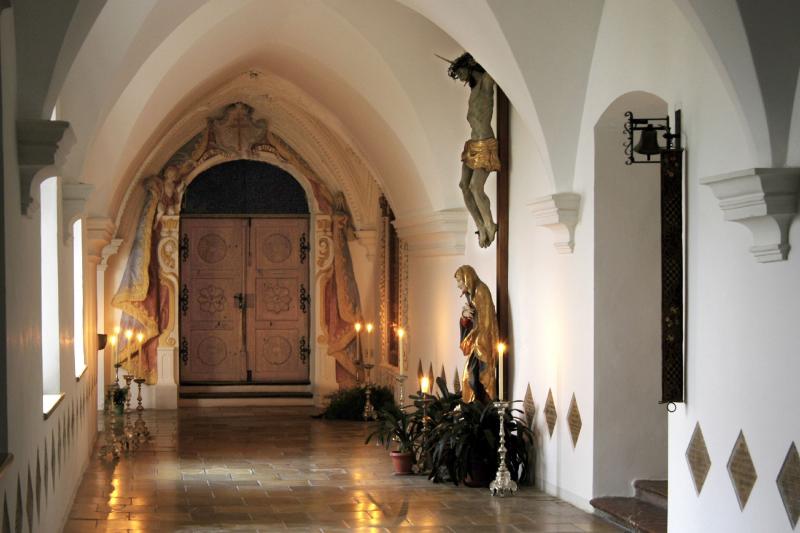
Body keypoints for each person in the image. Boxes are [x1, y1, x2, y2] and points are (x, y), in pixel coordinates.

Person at [448, 53, 500, 248]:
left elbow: (495, 65)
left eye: (460, 71)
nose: (459, 76)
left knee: (476, 187)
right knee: (464, 186)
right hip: (472, 143)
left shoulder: (485, 82)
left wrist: (480, 52)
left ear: (469, 66)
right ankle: (480, 225)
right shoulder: (474, 90)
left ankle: (489, 224)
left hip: (485, 143)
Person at [454, 265, 498, 403]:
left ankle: (482, 406)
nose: (458, 285)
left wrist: (477, 340)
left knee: (475, 377)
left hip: (482, 344)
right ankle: (474, 406)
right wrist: (464, 315)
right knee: (469, 377)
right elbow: (472, 319)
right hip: (477, 342)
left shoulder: (481, 291)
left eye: (459, 281)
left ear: (467, 278)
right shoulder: (472, 294)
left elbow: (486, 322)